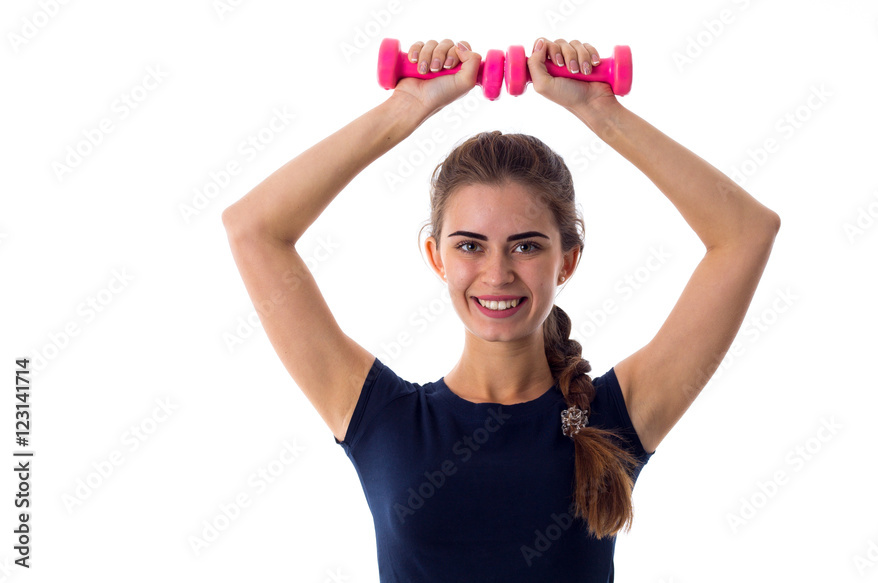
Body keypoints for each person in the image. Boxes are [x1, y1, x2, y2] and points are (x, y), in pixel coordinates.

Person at [222, 37, 779, 582]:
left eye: (526, 246)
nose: (497, 273)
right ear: (437, 258)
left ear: (567, 261)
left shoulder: (614, 418)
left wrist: (600, 110)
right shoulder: (381, 420)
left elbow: (747, 233)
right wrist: (405, 108)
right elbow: (253, 229)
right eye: (470, 245)